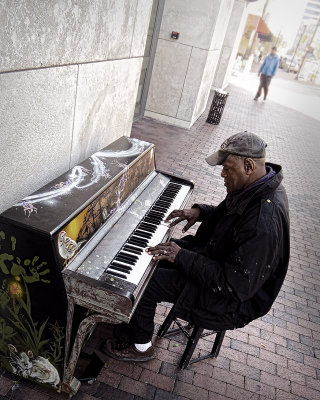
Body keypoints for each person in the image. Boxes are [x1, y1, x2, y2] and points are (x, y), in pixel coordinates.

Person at [102, 131, 290, 362]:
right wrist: (200, 211)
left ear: (249, 165)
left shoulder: (264, 221)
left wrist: (181, 257)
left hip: (231, 301)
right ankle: (121, 314)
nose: (222, 174)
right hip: (216, 260)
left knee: (147, 283)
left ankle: (140, 345)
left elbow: (235, 285)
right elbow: (229, 216)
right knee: (152, 253)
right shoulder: (255, 187)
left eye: (227, 168)